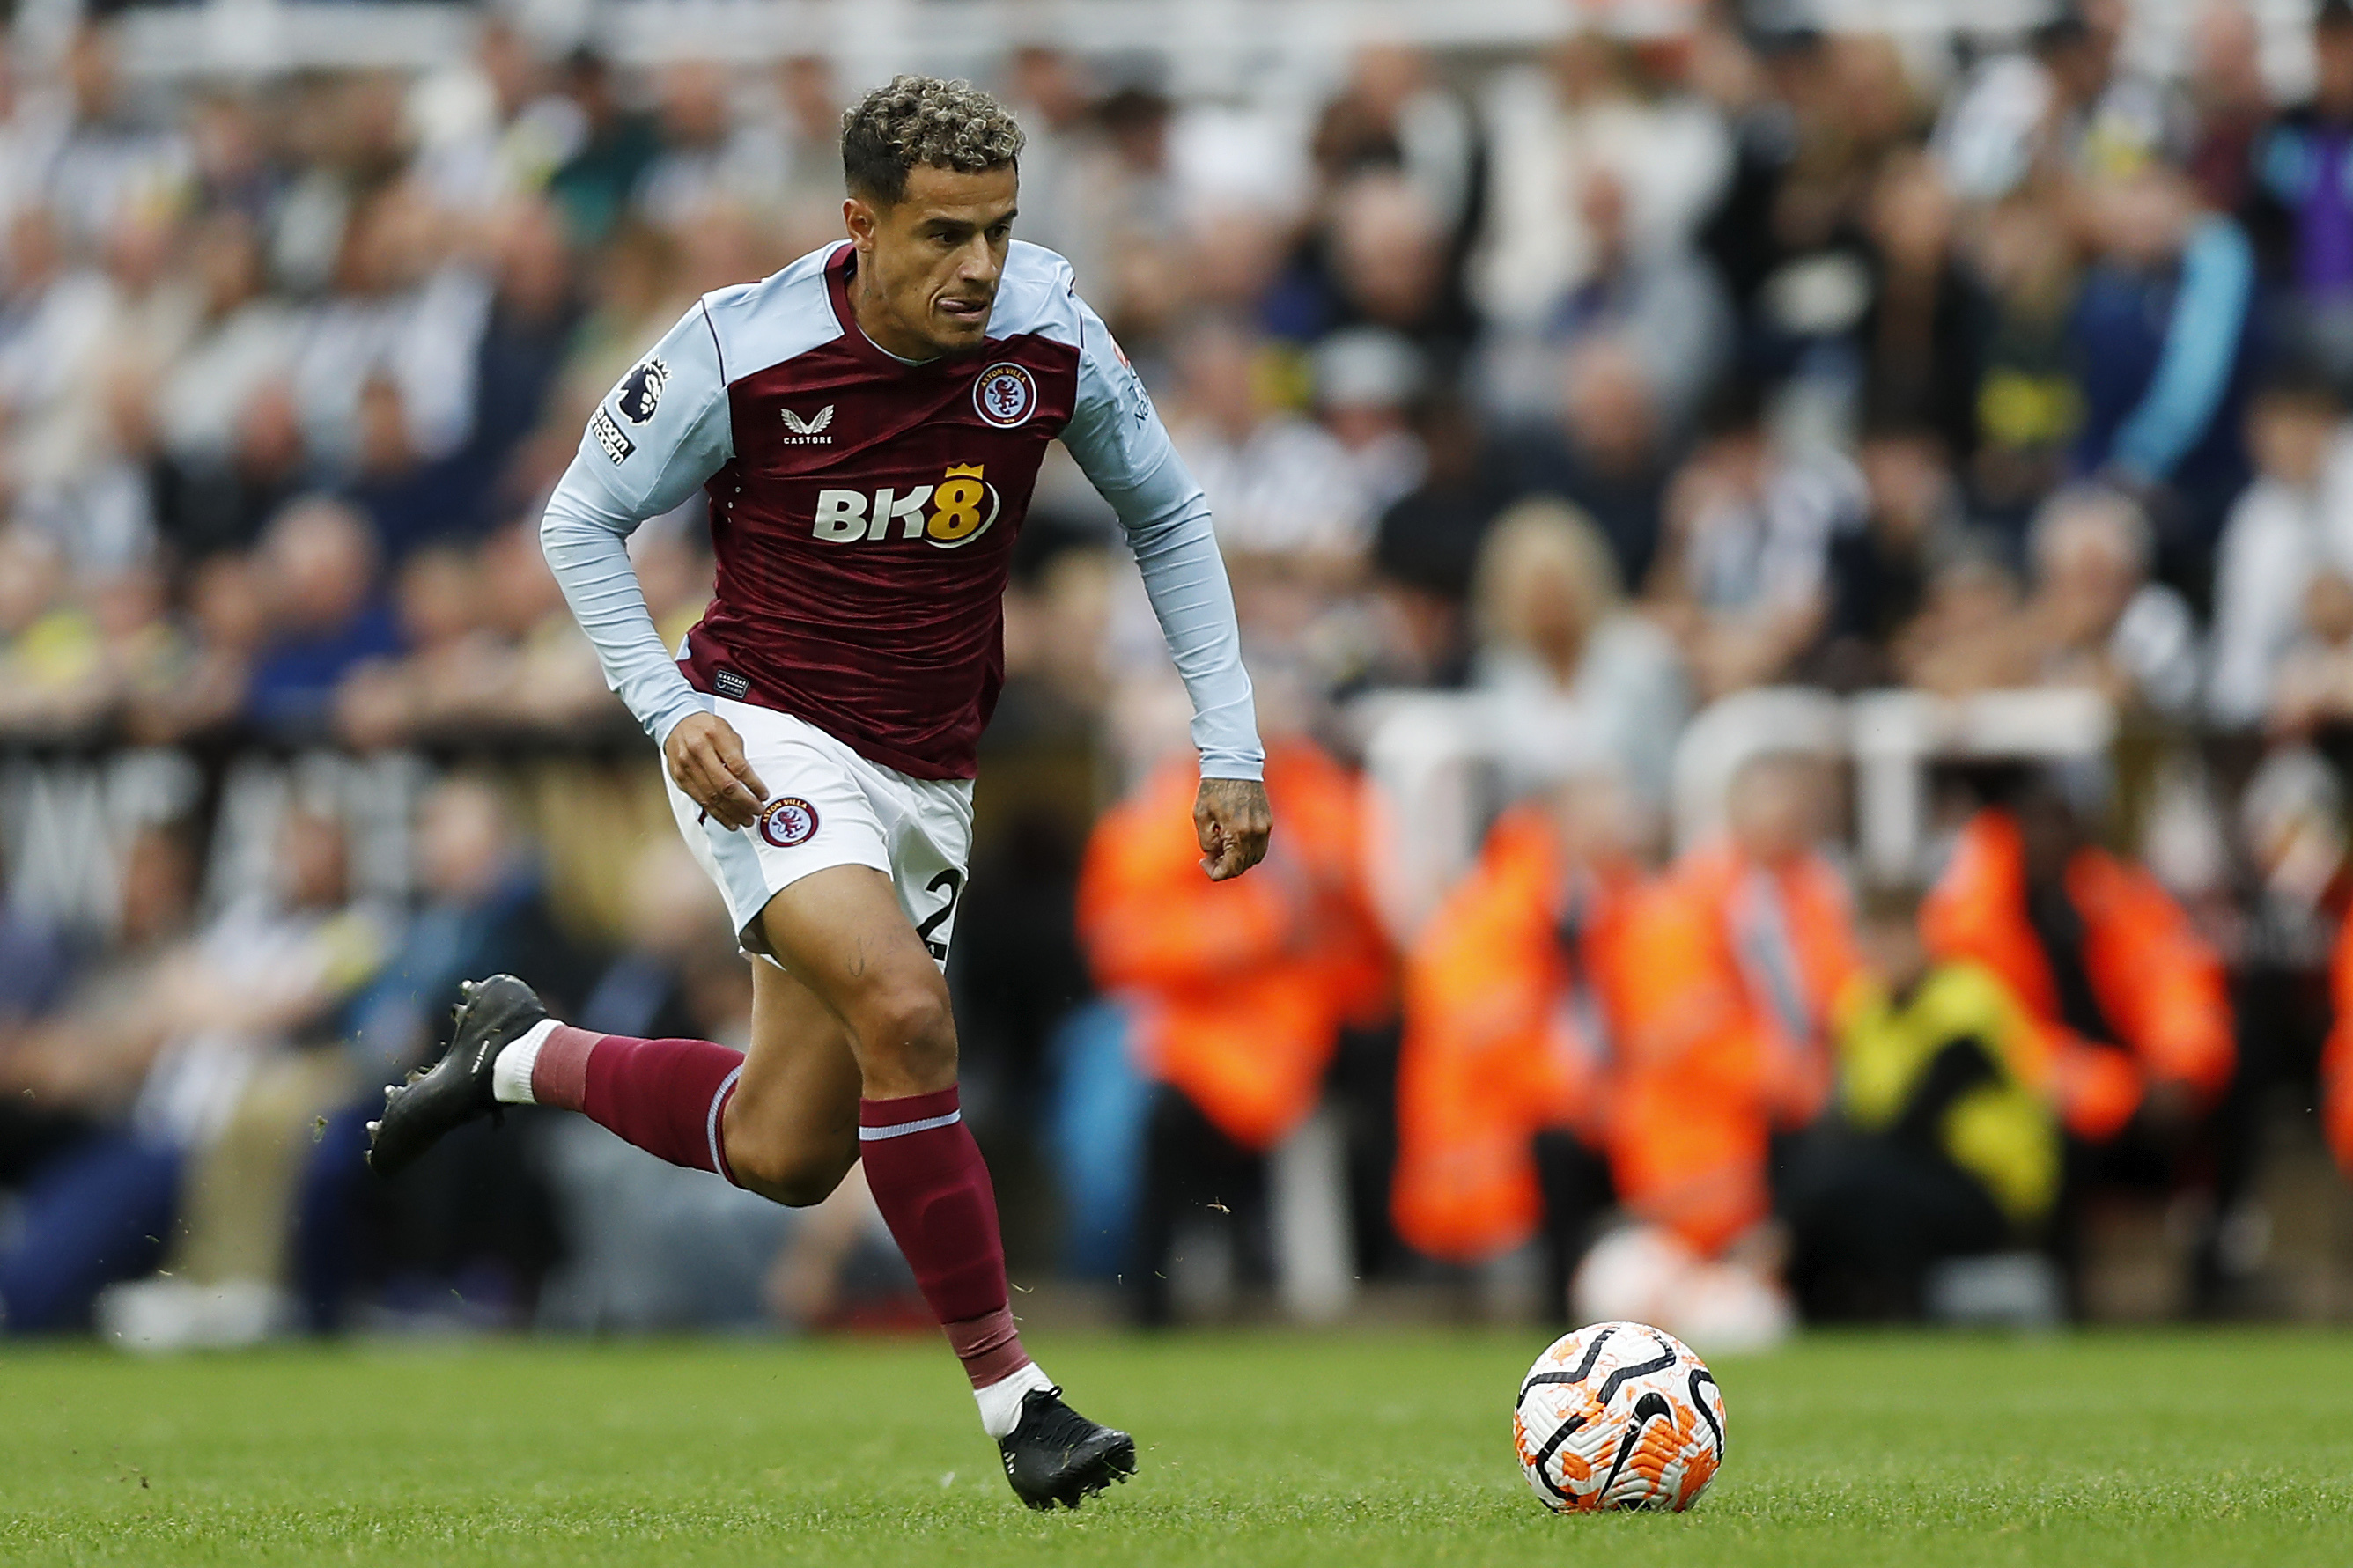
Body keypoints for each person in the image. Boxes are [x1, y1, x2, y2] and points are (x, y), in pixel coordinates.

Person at [363, 77, 1267, 1510]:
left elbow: (1168, 510)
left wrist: (1231, 744)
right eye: (943, 234)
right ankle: (1019, 1402)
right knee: (909, 1011)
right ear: (860, 222)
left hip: (929, 768)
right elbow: (578, 517)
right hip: (765, 734)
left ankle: (516, 1055)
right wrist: (667, 710)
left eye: (999, 230)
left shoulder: (1050, 329)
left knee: (786, 1148)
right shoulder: (741, 344)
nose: (979, 266)